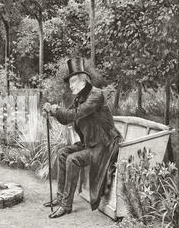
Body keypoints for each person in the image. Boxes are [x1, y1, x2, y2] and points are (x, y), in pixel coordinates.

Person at [43, 57, 122, 219]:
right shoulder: (79, 98)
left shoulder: (96, 96)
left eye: (73, 82)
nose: (70, 86)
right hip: (90, 143)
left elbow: (77, 114)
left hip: (104, 146)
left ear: (83, 81)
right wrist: (52, 111)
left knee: (73, 159)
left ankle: (67, 205)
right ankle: (60, 198)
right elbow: (66, 118)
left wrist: (56, 110)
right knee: (62, 152)